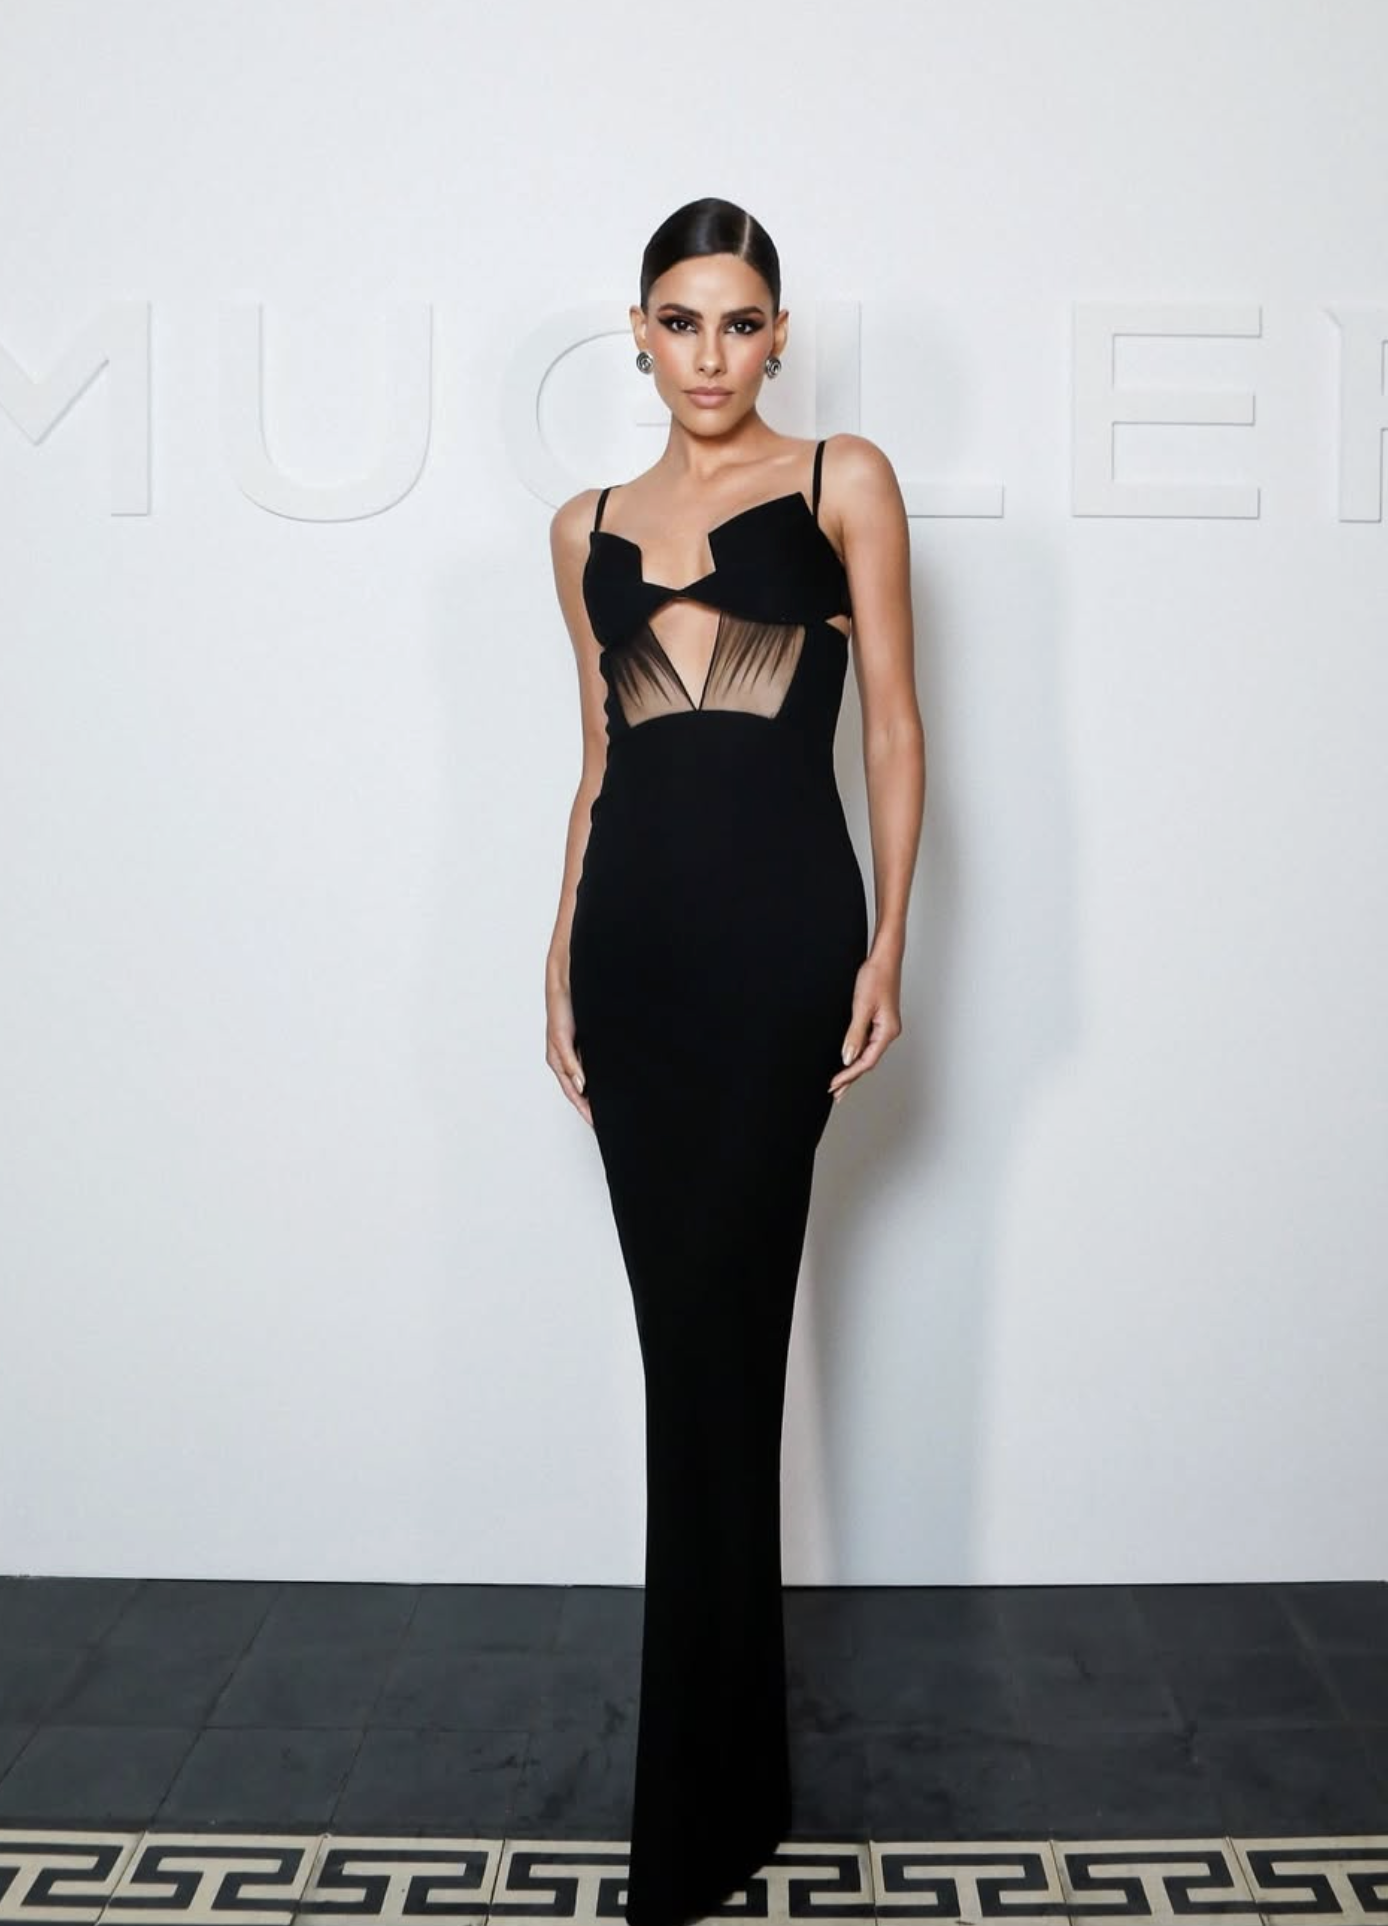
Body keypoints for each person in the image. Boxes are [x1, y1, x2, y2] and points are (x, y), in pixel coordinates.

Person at [544, 196, 925, 1926]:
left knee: (729, 1336)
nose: (713, 353)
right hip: (633, 962)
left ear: (780, 334)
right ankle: (724, 1780)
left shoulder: (845, 479)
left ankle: (706, 1797)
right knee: (676, 1350)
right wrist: (557, 950)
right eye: (683, 321)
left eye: (743, 321)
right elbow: (598, 761)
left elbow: (895, 728)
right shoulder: (582, 528)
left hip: (781, 956)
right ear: (638, 333)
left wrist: (889, 943)